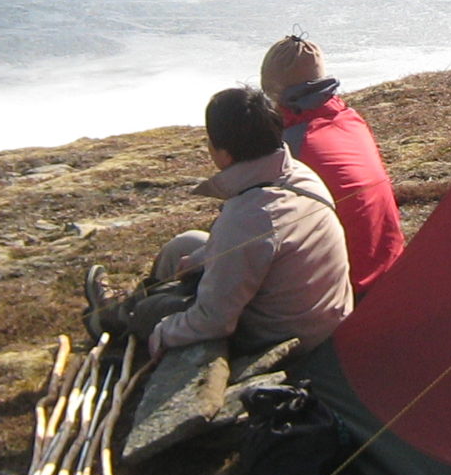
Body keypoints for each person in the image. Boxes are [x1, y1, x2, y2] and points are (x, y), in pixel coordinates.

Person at [96, 85, 354, 359]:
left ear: (226, 154)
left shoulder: (250, 216)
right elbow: (259, 250)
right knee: (184, 246)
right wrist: (203, 257)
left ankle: (121, 328)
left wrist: (160, 332)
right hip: (317, 317)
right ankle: (121, 312)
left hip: (281, 340)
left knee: (153, 310)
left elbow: (213, 320)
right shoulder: (296, 174)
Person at [259, 35, 406, 293]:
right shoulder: (350, 119)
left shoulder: (293, 144)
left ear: (274, 91)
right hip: (391, 270)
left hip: (347, 288)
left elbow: (260, 226)